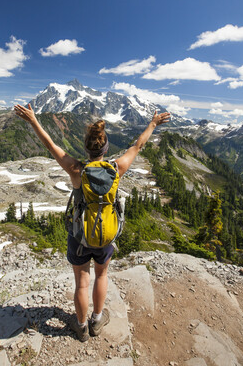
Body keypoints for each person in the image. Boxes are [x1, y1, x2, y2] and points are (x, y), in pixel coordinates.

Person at [14, 103, 170, 341]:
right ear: (105, 148)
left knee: (81, 282)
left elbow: (50, 145)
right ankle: (97, 320)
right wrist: (153, 123)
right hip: (107, 235)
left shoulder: (77, 169)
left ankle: (81, 327)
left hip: (80, 236)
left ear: (85, 148)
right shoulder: (117, 168)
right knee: (102, 275)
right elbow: (138, 145)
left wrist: (33, 121)